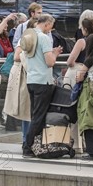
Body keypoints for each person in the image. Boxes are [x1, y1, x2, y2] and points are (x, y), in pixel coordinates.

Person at [22, 13, 63, 157]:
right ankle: (28, 147)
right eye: (50, 27)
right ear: (46, 24)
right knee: (39, 116)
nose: (50, 30)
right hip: (43, 81)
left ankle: (30, 145)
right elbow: (50, 62)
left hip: (31, 80)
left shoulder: (29, 36)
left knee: (34, 114)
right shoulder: (44, 38)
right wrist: (55, 53)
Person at [64, 18, 93, 87]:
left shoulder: (81, 42)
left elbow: (70, 61)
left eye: (82, 27)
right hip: (92, 74)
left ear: (85, 29)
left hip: (77, 72)